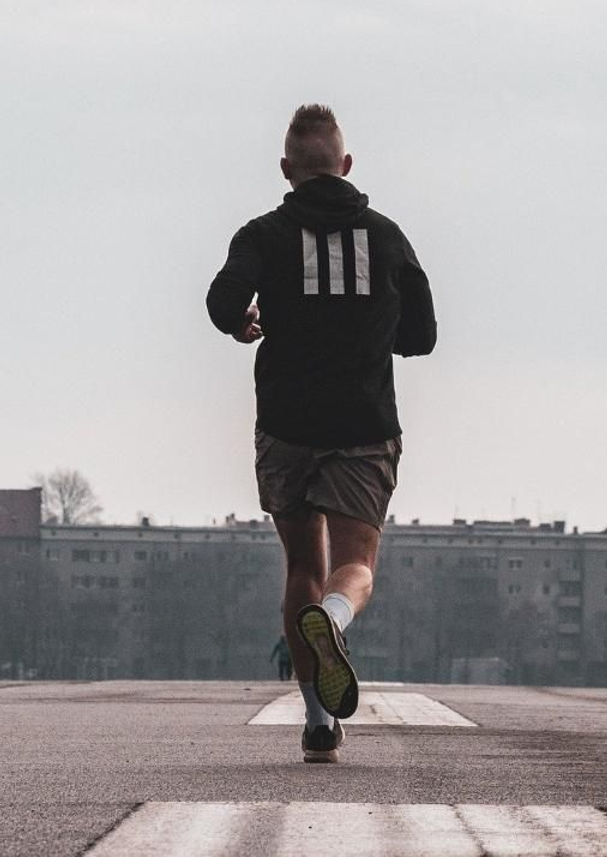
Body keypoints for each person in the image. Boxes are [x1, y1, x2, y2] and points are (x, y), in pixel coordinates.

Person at [207, 104, 437, 763]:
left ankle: (316, 722)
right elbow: (421, 335)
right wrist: (370, 329)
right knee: (354, 566)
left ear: (287, 170)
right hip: (363, 424)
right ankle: (335, 619)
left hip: (286, 425)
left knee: (303, 567)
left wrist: (243, 323)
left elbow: (222, 301)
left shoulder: (263, 234)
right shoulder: (387, 237)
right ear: (346, 165)